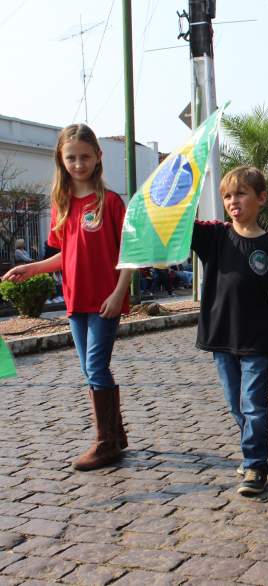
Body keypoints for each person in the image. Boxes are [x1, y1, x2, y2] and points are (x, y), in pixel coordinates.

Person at [2, 124, 132, 471]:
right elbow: (66, 255)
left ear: (98, 157)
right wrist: (32, 269)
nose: (78, 163)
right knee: (89, 368)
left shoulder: (112, 202)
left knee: (95, 367)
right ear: (61, 158)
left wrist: (120, 293)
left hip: (106, 298)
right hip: (76, 300)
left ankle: (105, 444)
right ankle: (116, 434)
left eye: (85, 156)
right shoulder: (61, 204)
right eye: (71, 157)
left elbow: (129, 253)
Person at [191, 166, 268, 495]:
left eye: (241, 194)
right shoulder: (215, 236)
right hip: (222, 335)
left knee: (254, 404)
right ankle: (253, 450)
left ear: (261, 198)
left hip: (260, 337)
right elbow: (179, 226)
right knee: (236, 404)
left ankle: (255, 464)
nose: (233, 201)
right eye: (227, 196)